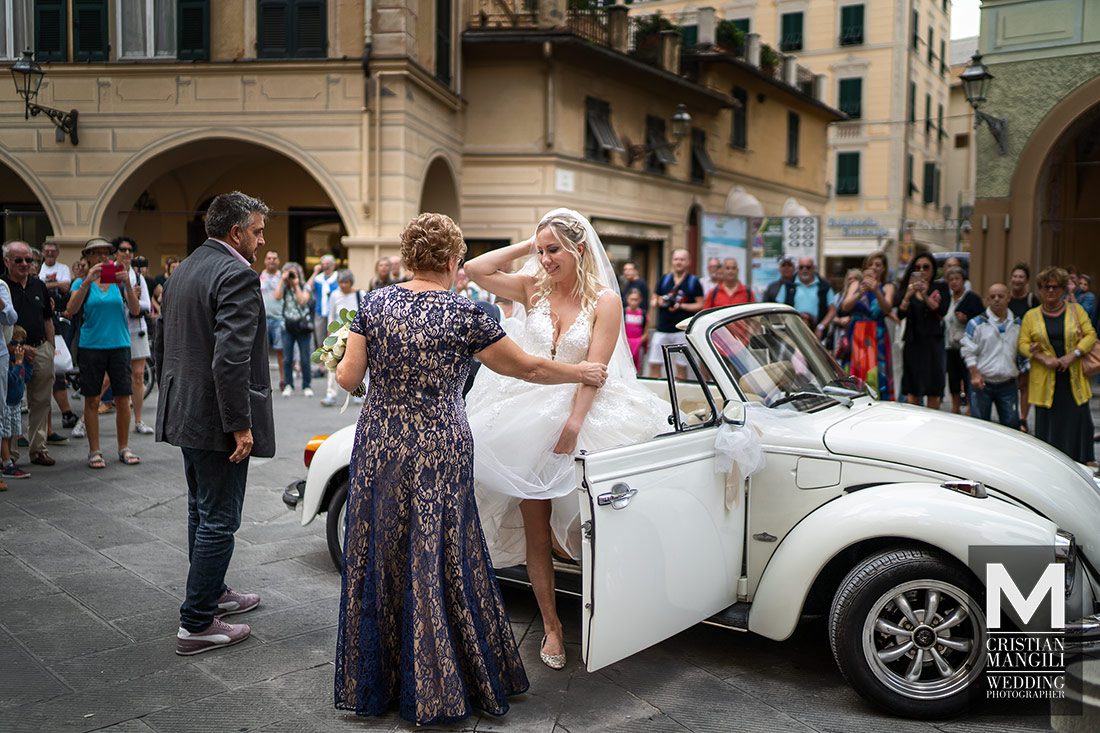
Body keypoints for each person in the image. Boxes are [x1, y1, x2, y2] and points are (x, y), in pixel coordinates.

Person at [332, 212, 607, 725]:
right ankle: (442, 681)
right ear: (453, 259)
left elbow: (349, 379)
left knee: (384, 549)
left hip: (381, 443)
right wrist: (580, 371)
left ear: (409, 255)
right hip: (440, 445)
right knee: (440, 552)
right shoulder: (466, 313)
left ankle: (380, 681)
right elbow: (527, 367)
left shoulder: (372, 304)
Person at [464, 208, 670, 670]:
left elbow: (595, 371)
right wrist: (532, 242)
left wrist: (574, 424)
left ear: (579, 248)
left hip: (584, 413)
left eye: (553, 250)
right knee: (535, 528)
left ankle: (616, 613)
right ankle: (552, 625)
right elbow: (475, 269)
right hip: (525, 416)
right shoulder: (532, 286)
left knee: (596, 526)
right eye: (540, 251)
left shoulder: (605, 301)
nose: (545, 259)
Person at [155, 191, 274, 655]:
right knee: (220, 518)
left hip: (186, 408)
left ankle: (213, 591)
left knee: (200, 510)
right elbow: (230, 359)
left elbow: (164, 344)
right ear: (235, 232)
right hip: (215, 416)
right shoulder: (237, 275)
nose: (261, 241)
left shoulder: (184, 268)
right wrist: (240, 424)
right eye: (257, 232)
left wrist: (171, 397)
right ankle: (197, 622)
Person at [65, 238, 143, 468]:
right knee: (92, 398)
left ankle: (124, 447)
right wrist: (87, 281)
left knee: (123, 398)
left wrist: (126, 283)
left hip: (119, 345)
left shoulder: (118, 281)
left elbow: (136, 310)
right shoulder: (80, 282)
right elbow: (71, 309)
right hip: (91, 347)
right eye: (96, 253)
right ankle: (94, 451)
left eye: (105, 253)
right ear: (87, 258)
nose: (102, 257)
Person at [1018, 266, 1096, 464]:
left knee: (1074, 427)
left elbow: (1090, 335)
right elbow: (1022, 344)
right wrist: (1042, 357)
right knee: (1049, 429)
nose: (1050, 291)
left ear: (1063, 289)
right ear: (1040, 290)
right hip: (1045, 382)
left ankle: (1077, 466)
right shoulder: (1031, 315)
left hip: (1073, 381)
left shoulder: (1076, 310)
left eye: (1055, 287)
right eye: (1045, 287)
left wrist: (1074, 354)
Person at [3, 240, 56, 466]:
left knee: (41, 402)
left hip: (41, 349)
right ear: (6, 261)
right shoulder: (2, 287)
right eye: (19, 260)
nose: (25, 264)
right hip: (12, 352)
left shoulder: (38, 285)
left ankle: (38, 449)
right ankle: (10, 454)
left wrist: (50, 347)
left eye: (29, 259)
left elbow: (47, 319)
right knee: (11, 404)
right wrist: (17, 348)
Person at [961, 284, 1022, 428]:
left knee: (1011, 427)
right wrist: (974, 374)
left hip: (1008, 383)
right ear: (987, 299)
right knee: (980, 427)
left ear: (1008, 298)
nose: (996, 299)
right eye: (992, 296)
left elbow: (1022, 351)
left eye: (1000, 296)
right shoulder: (976, 323)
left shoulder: (1017, 323)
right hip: (982, 383)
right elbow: (968, 351)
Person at [896, 252, 950, 408]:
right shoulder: (908, 288)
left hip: (933, 342)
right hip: (913, 342)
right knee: (913, 387)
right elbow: (900, 314)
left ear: (933, 270)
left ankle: (933, 419)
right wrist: (908, 295)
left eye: (926, 267)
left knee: (933, 388)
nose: (922, 270)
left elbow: (942, 311)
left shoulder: (940, 287)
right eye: (918, 267)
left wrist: (925, 295)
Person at [113, 236, 156, 435]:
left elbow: (147, 304)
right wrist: (127, 297)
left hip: (136, 328)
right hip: (115, 329)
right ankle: (84, 420)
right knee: (107, 378)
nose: (127, 253)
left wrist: (135, 299)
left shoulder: (137, 277)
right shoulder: (109, 273)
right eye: (123, 250)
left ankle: (138, 421)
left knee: (138, 376)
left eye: (130, 250)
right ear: (115, 252)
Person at [839, 251, 896, 400]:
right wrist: (860, 292)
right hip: (857, 333)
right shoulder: (856, 284)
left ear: (884, 269)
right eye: (870, 264)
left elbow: (887, 309)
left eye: (878, 265)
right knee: (855, 372)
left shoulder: (887, 287)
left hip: (877, 334)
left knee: (878, 372)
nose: (874, 267)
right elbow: (845, 306)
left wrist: (876, 290)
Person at [647, 248, 705, 378]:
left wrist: (681, 306)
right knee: (654, 363)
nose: (679, 262)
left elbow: (700, 304)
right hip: (662, 329)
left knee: (681, 366)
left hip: (681, 331)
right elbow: (654, 299)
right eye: (676, 259)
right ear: (672, 261)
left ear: (688, 262)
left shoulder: (693, 282)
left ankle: (679, 390)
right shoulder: (665, 279)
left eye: (682, 259)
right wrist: (659, 302)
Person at [943, 266, 984, 414]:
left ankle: (969, 407)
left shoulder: (972, 298)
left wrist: (967, 319)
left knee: (967, 376)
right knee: (953, 378)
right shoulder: (947, 299)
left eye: (957, 279)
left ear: (963, 281)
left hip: (967, 347)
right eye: (951, 279)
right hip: (950, 345)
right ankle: (955, 407)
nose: (954, 282)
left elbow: (981, 319)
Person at [320, 269, 364, 407]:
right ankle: (331, 394)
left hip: (356, 334)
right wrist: (329, 335)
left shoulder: (360, 294)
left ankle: (358, 393)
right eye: (341, 282)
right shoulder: (334, 295)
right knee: (333, 362)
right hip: (338, 334)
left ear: (351, 282)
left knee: (357, 364)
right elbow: (331, 315)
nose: (343, 285)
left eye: (346, 282)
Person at [274, 262, 314, 398]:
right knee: (287, 358)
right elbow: (277, 296)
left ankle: (307, 385)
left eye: (293, 273)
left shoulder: (304, 286)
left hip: (303, 327)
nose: (291, 276)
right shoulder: (284, 288)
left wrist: (296, 285)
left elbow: (302, 300)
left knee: (305, 359)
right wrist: (282, 280)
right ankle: (288, 384)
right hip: (287, 327)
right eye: (289, 273)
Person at [1008, 262, 1038, 429]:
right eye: (1015, 276)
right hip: (1007, 346)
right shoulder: (1005, 297)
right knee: (1010, 383)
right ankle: (1011, 415)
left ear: (1026, 280)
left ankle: (1023, 418)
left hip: (1025, 347)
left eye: (1021, 277)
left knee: (1024, 384)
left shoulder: (1031, 299)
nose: (1017, 279)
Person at [2, 326, 32, 481]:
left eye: (22, 344)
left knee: (11, 434)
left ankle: (7, 459)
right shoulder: (5, 362)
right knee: (5, 434)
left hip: (16, 403)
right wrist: (19, 362)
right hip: (6, 402)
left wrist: (27, 363)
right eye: (14, 343)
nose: (18, 348)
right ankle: (7, 463)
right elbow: (11, 381)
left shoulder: (18, 361)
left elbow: (25, 377)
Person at [258, 250, 285, 389]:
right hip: (263, 319)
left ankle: (283, 380)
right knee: (262, 352)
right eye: (269, 258)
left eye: (274, 258)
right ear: (265, 261)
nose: (272, 261)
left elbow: (279, 296)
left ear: (278, 261)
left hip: (279, 318)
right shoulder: (259, 277)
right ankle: (263, 381)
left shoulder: (283, 277)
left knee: (281, 351)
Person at [307, 254, 340, 349]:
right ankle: (321, 357)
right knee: (320, 339)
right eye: (323, 264)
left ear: (333, 265)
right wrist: (315, 272)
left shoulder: (338, 277)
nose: (325, 266)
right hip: (320, 312)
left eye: (328, 264)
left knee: (334, 338)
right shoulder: (318, 278)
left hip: (334, 313)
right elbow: (307, 287)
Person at [624, 287, 647, 372]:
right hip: (626, 344)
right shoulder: (623, 313)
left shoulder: (643, 314)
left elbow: (646, 331)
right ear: (627, 299)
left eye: (636, 300)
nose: (633, 302)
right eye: (632, 299)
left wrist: (639, 341)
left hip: (638, 345)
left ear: (640, 300)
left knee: (637, 366)